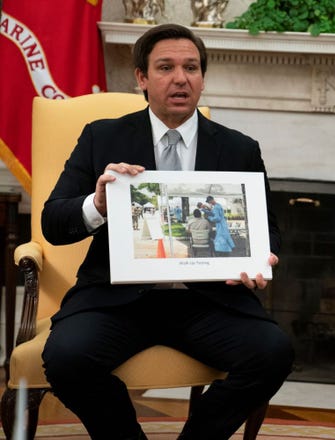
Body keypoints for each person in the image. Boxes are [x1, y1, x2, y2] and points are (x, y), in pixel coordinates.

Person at [41, 23, 293, 440]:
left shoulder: (238, 148)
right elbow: (54, 223)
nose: (181, 78)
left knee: (273, 354)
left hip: (208, 300)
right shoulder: (102, 137)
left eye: (191, 67)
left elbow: (268, 231)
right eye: (166, 67)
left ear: (202, 78)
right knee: (67, 358)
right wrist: (98, 205)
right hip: (118, 299)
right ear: (141, 77)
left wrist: (261, 259)